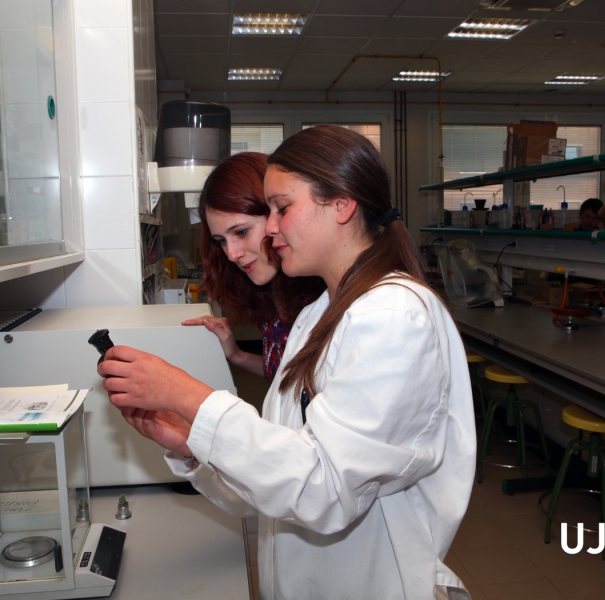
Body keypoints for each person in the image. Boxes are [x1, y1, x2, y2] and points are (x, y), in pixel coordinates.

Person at [99, 125, 476, 600]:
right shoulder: (319, 314)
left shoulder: (393, 315)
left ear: (342, 204)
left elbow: (324, 491)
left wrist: (189, 396)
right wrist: (196, 446)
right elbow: (282, 482)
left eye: (282, 207)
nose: (270, 227)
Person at [180, 152, 324, 381]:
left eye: (241, 232)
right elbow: (284, 377)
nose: (232, 254)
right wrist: (236, 355)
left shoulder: (328, 302)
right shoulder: (271, 293)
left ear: (278, 214)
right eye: (221, 241)